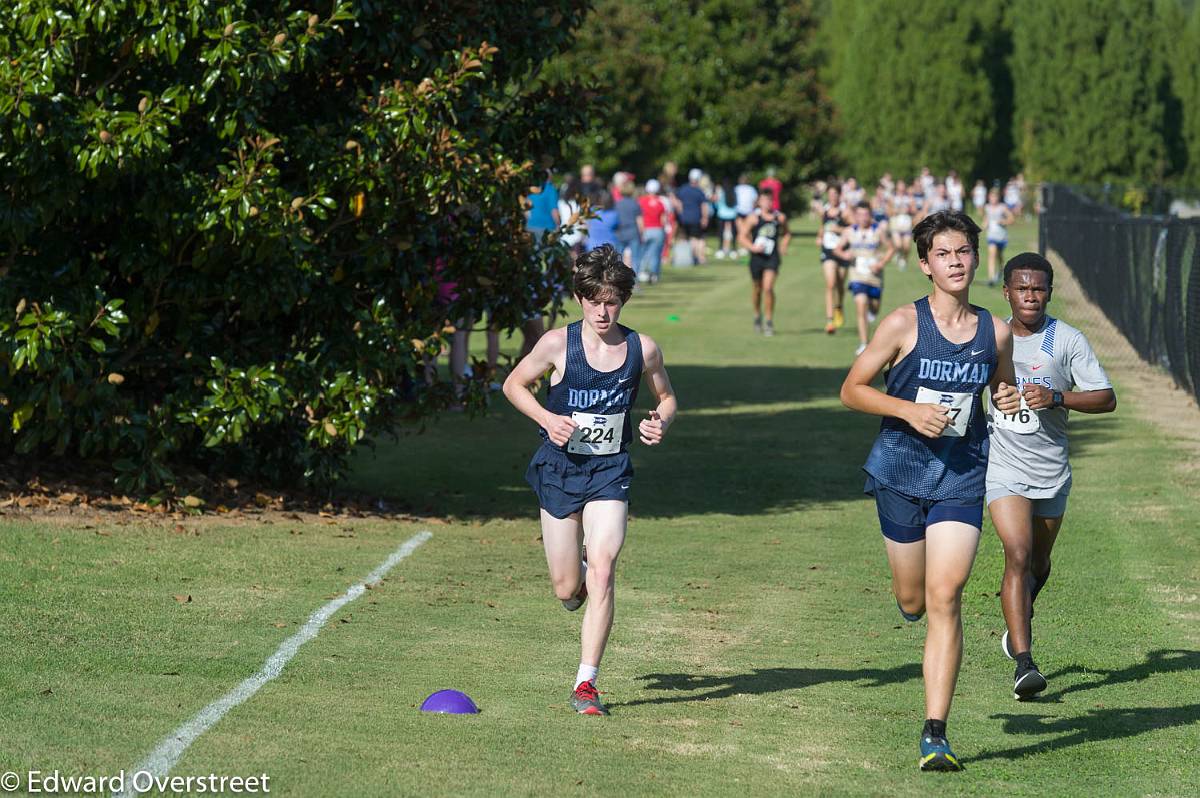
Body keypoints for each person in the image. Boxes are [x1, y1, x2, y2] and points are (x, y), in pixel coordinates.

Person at [840, 210, 1020, 771]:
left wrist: (1008, 401)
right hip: (899, 472)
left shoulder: (996, 330)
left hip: (962, 475)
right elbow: (851, 389)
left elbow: (1001, 388)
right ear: (925, 264)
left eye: (964, 251)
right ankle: (909, 602)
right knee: (915, 599)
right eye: (944, 254)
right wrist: (908, 410)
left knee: (948, 594)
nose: (957, 262)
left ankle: (935, 731)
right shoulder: (902, 324)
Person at [502, 245, 678, 716]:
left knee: (603, 567)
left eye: (613, 301)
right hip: (560, 471)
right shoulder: (558, 344)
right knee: (567, 590)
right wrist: (546, 417)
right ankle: (574, 572)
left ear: (623, 300)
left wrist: (658, 420)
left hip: (610, 472)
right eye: (595, 300)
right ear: (580, 298)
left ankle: (586, 684)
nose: (604, 311)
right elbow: (513, 384)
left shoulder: (642, 348)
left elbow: (666, 397)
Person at [986, 252, 1116, 700]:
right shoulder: (992, 337)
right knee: (1017, 555)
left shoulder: (1066, 341)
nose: (1030, 296)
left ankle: (1019, 615)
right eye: (1022, 289)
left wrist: (1057, 397)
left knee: (1038, 564)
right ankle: (1025, 664)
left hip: (1051, 470)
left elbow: (1105, 398)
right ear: (1007, 292)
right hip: (1003, 466)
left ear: (1049, 292)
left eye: (1038, 289)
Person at [835, 202, 896, 356]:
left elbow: (891, 248)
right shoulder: (849, 232)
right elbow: (837, 249)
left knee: (874, 307)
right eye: (860, 214)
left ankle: (872, 312)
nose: (863, 218)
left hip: (874, 277)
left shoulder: (878, 231)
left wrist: (881, 263)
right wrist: (845, 255)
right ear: (855, 216)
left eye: (866, 214)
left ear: (871, 215)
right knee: (861, 304)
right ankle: (864, 343)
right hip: (857, 276)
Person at [737, 189, 790, 337]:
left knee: (768, 288)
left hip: (772, 258)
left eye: (769, 200)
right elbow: (741, 237)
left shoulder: (779, 218)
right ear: (759, 202)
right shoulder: (754, 218)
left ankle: (768, 321)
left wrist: (784, 244)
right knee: (757, 289)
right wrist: (752, 247)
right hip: (757, 258)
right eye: (764, 200)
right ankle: (756, 315)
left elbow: (787, 233)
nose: (767, 203)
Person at [818, 185, 850, 335]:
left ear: (839, 195)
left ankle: (839, 306)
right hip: (827, 251)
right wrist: (819, 236)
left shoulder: (845, 211)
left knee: (840, 284)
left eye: (835, 194)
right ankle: (830, 321)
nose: (832, 197)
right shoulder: (824, 211)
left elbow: (853, 229)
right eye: (830, 194)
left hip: (842, 251)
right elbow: (823, 227)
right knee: (830, 284)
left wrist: (838, 230)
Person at [673, 168, 710, 265]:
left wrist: (680, 212)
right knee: (696, 238)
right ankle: (697, 258)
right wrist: (705, 218)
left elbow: (676, 202)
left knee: (684, 238)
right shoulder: (699, 191)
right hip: (696, 218)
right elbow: (704, 206)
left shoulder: (682, 189)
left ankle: (687, 258)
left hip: (683, 218)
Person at [637, 179, 668, 284]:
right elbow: (663, 220)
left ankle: (642, 272)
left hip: (645, 229)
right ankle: (654, 275)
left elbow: (639, 217)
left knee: (643, 252)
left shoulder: (641, 201)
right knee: (656, 254)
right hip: (658, 230)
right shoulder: (661, 202)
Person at [984, 187, 1015, 287]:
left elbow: (1011, 219)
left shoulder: (1002, 207)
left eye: (995, 197)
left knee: (999, 256)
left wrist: (1003, 222)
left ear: (998, 197)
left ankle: (1001, 269)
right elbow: (986, 219)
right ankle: (991, 278)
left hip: (1001, 236)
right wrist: (984, 225)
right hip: (991, 236)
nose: (993, 199)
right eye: (991, 197)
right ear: (989, 197)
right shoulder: (987, 207)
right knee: (992, 254)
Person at [613, 180, 644, 271]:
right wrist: (642, 234)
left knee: (619, 257)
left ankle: (618, 276)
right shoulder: (635, 204)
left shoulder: (617, 204)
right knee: (635, 257)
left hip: (620, 232)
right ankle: (635, 279)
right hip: (633, 232)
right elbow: (639, 221)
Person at [526, 169, 560, 243]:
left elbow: (526, 209)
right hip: (547, 227)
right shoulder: (551, 189)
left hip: (531, 225)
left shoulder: (531, 188)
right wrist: (558, 225)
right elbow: (553, 210)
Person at [889, 181, 916, 271]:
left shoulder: (909, 198)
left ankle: (903, 259)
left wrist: (908, 209)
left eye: (903, 186)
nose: (901, 188)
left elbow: (914, 210)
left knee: (907, 246)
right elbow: (889, 212)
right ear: (897, 187)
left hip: (906, 224)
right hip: (896, 224)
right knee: (898, 245)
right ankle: (898, 255)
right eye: (900, 186)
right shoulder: (893, 198)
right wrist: (897, 210)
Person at [713, 179, 740, 259]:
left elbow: (717, 204)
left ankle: (721, 248)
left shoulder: (721, 192)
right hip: (732, 214)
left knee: (721, 233)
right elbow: (736, 203)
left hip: (722, 214)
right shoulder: (734, 192)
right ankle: (734, 249)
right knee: (733, 233)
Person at [733, 175, 758, 256]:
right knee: (745, 231)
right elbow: (755, 201)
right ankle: (744, 248)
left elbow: (755, 201)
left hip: (743, 211)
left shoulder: (737, 189)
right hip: (745, 211)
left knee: (744, 231)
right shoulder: (751, 189)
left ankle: (747, 247)